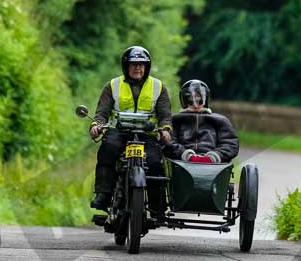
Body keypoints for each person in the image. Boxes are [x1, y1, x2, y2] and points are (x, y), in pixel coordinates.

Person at [90, 46, 173, 211]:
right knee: (108, 150)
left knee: (155, 162)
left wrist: (165, 129)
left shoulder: (159, 87)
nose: (138, 67)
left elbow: (165, 115)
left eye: (142, 64)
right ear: (126, 66)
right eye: (133, 64)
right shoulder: (112, 85)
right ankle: (103, 195)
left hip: (147, 134)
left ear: (147, 66)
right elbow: (102, 112)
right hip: (118, 132)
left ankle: (157, 206)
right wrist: (96, 125)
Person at [164, 79, 239, 163]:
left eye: (199, 100)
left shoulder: (220, 120)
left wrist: (214, 156)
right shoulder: (175, 120)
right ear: (185, 100)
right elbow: (168, 142)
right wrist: (185, 154)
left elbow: (230, 144)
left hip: (214, 164)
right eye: (191, 100)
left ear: (205, 99)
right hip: (181, 163)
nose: (195, 105)